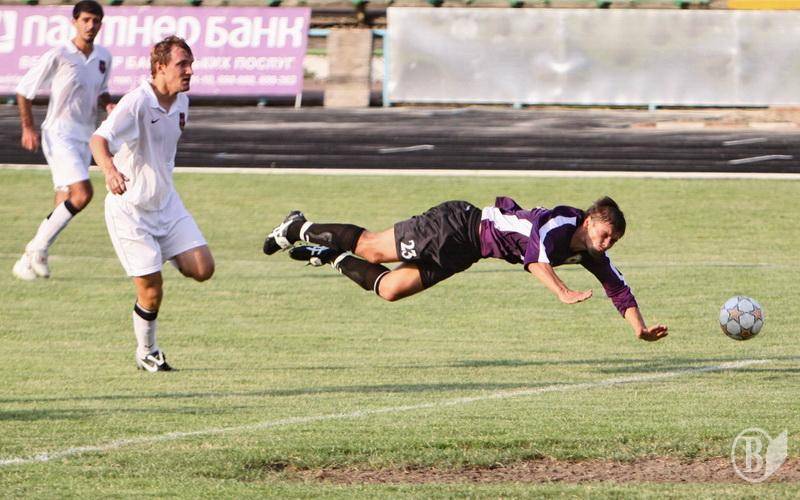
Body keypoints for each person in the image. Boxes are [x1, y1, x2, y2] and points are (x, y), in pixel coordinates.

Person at [263, 196, 668, 342]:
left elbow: (618, 289)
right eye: (605, 234)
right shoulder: (559, 224)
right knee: (371, 249)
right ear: (591, 220)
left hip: (466, 252)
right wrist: (562, 291)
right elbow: (535, 259)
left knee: (390, 289)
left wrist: (639, 328)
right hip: (455, 226)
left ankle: (328, 255)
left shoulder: (592, 254)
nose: (607, 243)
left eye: (614, 241)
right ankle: (297, 227)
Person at [89, 36, 214, 372]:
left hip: (167, 204)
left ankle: (162, 252)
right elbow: (98, 139)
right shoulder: (137, 102)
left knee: (203, 269)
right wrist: (110, 170)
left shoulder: (182, 101)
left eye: (191, 64)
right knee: (151, 291)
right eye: (182, 64)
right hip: (130, 210)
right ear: (160, 67)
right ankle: (147, 351)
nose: (190, 71)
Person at [12, 0, 114, 281]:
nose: (90, 26)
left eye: (95, 21)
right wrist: (28, 128)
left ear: (101, 25)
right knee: (83, 194)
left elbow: (102, 90)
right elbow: (24, 91)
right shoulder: (59, 54)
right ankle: (37, 248)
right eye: (85, 20)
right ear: (74, 22)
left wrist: (108, 104)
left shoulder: (104, 57)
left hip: (85, 136)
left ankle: (28, 259)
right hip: (59, 134)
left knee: (65, 199)